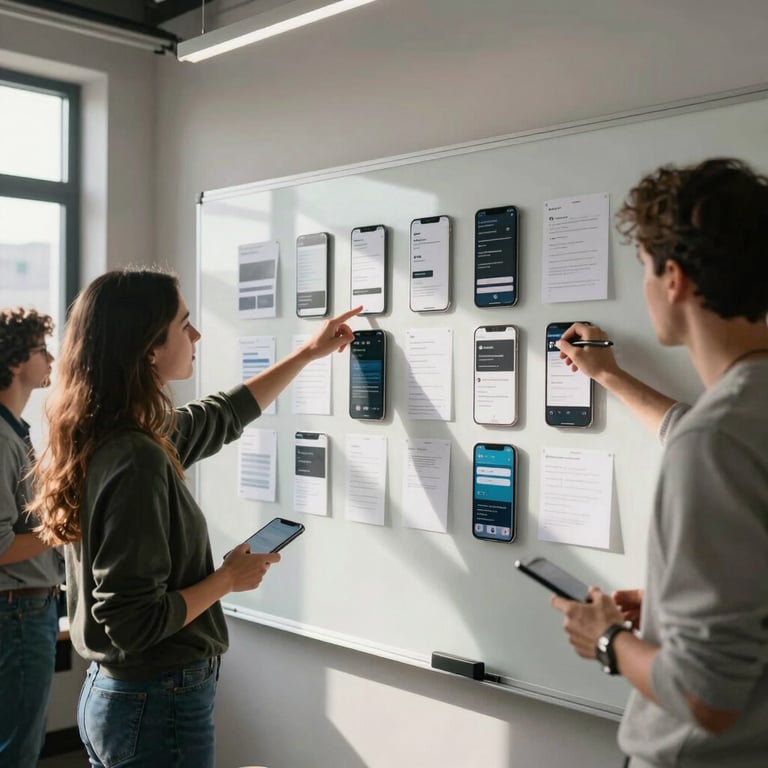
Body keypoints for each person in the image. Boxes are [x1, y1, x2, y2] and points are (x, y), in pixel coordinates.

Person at [31, 267, 360, 767]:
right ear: (149, 348)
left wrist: (307, 354)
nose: (197, 334)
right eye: (184, 324)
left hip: (122, 696)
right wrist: (228, 578)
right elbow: (132, 621)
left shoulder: (111, 433)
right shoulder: (135, 456)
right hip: (154, 700)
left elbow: (219, 417)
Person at [550, 157, 768, 767]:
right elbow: (700, 432)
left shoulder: (717, 442)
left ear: (673, 278)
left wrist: (607, 639)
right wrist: (611, 378)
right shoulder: (737, 421)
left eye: (645, 270)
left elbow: (708, 696)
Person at [0, 307, 63, 768]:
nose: (52, 359)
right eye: (42, 350)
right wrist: (63, 527)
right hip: (18, 613)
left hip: (22, 611)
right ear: (17, 361)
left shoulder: (14, 431)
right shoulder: (3, 440)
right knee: (19, 748)